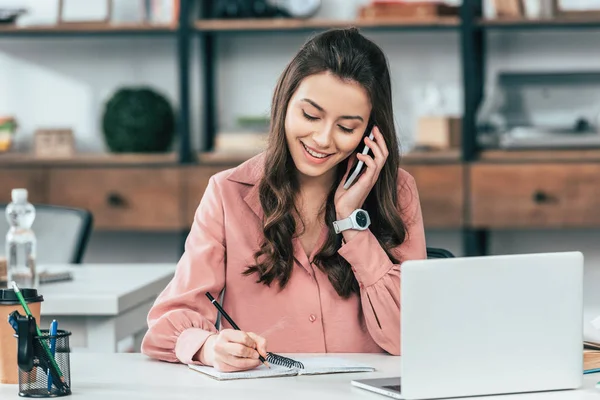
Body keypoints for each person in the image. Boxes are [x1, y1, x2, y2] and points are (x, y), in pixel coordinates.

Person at [141, 27, 426, 372]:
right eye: (310, 116)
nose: (322, 139)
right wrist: (209, 347)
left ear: (370, 133)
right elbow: (165, 325)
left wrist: (352, 219)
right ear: (283, 101)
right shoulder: (227, 192)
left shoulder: (397, 191)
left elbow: (410, 336)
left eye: (347, 128)